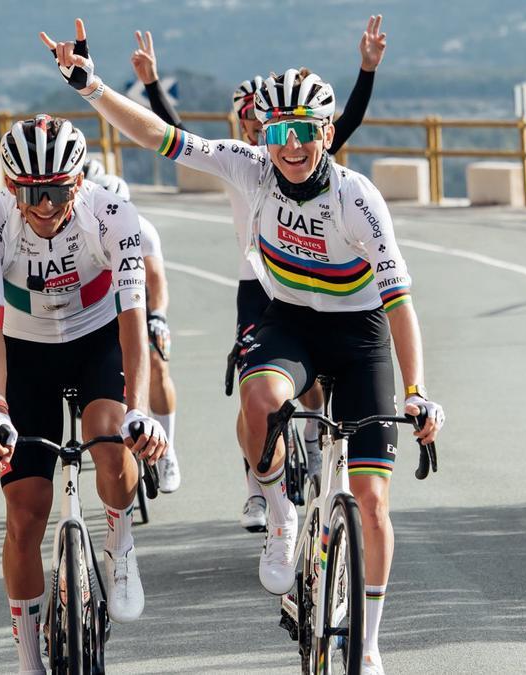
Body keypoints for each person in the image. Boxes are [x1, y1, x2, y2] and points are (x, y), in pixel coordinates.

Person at [40, 21, 444, 675]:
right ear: (266, 133)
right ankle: (280, 511)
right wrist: (93, 89)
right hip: (287, 320)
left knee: (371, 501)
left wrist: (419, 390)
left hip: (359, 331)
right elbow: (161, 136)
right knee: (260, 396)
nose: (288, 146)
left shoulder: (356, 200)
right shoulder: (249, 165)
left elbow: (398, 301)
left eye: (303, 132)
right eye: (277, 132)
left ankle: (368, 639)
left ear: (326, 132)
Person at [129, 17, 389, 532]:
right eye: (253, 122)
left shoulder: (303, 156)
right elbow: (174, 134)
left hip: (315, 288)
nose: (265, 132)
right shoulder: (245, 161)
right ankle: (257, 489)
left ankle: (313, 450)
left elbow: (349, 120)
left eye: (263, 120)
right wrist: (153, 84)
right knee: (256, 387)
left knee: (311, 381)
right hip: (258, 286)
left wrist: (366, 69)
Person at [0, 114, 168, 674]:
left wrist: (141, 410)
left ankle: (121, 538)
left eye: (58, 189)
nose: (47, 204)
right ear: (12, 186)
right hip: (24, 352)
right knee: (25, 514)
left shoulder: (112, 214)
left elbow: (134, 313)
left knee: (110, 438)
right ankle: (30, 660)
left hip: (96, 338)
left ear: (78, 182)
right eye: (33, 191)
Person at [90, 172, 181, 492]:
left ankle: (167, 449)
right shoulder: (80, 233)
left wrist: (158, 316)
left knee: (156, 364)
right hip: (98, 311)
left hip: (137, 303)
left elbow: (156, 280)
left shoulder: (142, 230)